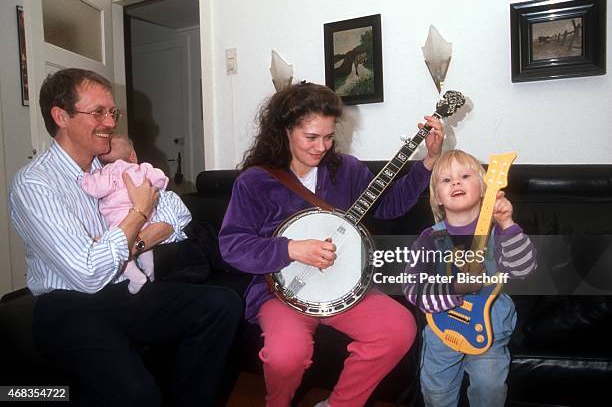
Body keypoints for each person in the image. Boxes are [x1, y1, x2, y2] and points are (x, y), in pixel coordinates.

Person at [9, 68, 242, 406]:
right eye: (98, 112)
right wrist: (140, 214)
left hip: (122, 290)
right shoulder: (35, 183)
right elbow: (88, 273)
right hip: (68, 306)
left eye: (112, 112)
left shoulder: (107, 169)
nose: (110, 121)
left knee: (222, 304)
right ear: (61, 116)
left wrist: (143, 238)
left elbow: (177, 220)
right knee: (136, 394)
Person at [219, 82, 445, 407]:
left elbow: (389, 205)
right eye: (311, 137)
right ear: (284, 130)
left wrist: (428, 162)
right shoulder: (256, 181)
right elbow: (233, 246)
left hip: (345, 285)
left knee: (398, 329)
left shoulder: (346, 170)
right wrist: (290, 249)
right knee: (286, 356)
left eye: (328, 136)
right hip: (281, 293)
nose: (321, 147)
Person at [402, 149, 537, 407]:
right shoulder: (429, 239)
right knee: (435, 394)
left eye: (465, 176)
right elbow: (413, 288)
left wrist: (508, 224)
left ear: (485, 189)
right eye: (446, 180)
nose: (456, 182)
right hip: (442, 332)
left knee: (490, 390)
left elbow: (525, 269)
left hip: (490, 332)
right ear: (437, 198)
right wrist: (454, 288)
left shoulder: (500, 234)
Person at [80, 134, 166, 294]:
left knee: (120, 251)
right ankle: (150, 272)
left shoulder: (109, 171)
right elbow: (159, 178)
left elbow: (96, 189)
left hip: (122, 221)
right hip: (147, 218)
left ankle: (136, 278)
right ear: (132, 156)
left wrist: (84, 178)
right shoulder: (143, 168)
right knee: (146, 248)